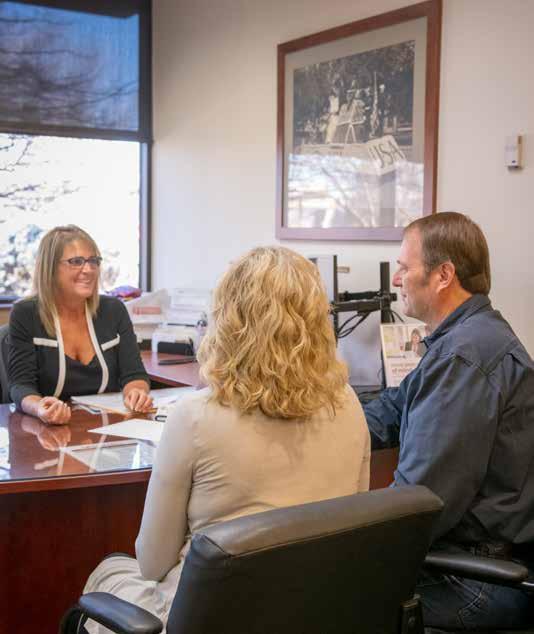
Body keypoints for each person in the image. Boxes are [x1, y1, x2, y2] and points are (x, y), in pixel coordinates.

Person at [83, 246, 370, 632]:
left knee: (108, 573)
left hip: (212, 616)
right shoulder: (348, 403)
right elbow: (353, 527)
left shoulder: (194, 416)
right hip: (313, 611)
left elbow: (152, 563)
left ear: (229, 320)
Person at [363, 212, 534, 630]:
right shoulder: (468, 336)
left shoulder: (464, 357)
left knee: (314, 592)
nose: (397, 280)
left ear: (443, 275)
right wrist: (320, 417)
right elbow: (394, 408)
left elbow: (418, 503)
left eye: (404, 267)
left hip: (474, 578)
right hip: (475, 562)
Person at [8, 225, 152, 424]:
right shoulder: (26, 313)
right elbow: (20, 386)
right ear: (50, 268)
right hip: (47, 431)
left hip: (106, 429)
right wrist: (40, 407)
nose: (89, 269)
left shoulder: (113, 310)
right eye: (76, 262)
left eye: (93, 261)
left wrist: (137, 392)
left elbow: (134, 374)